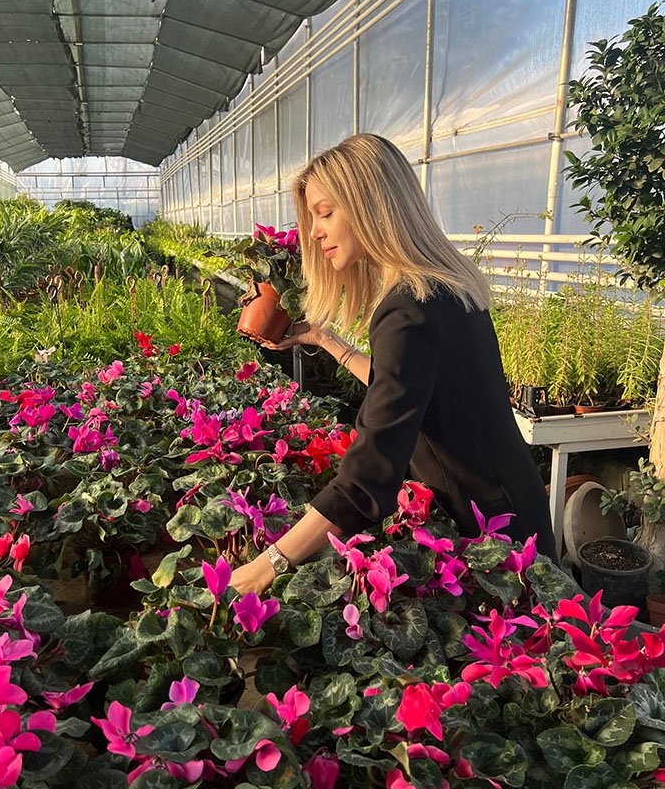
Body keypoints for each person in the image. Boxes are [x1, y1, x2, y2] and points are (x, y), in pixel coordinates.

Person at [229, 133, 557, 595]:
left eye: (326, 212)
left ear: (370, 203)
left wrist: (268, 565)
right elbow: (410, 390)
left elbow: (370, 474)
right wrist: (326, 339)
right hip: (513, 506)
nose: (314, 231)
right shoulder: (441, 287)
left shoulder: (408, 309)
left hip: (491, 534)